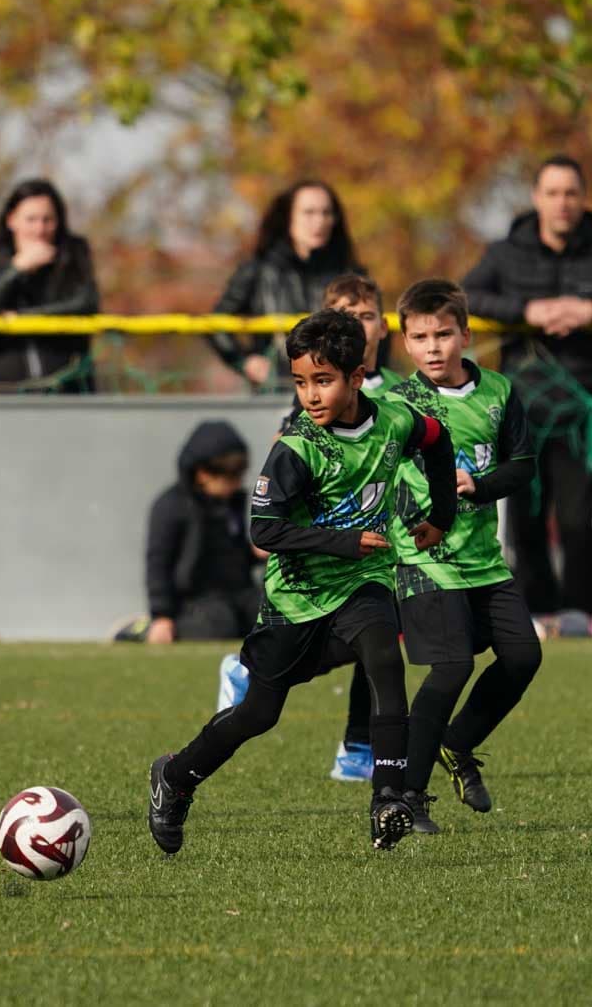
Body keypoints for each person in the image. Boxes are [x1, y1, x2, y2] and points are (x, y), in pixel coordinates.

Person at [147, 308, 459, 853]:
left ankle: (388, 798)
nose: (310, 395)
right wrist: (343, 540)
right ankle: (174, 778)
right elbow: (264, 529)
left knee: (385, 659)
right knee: (259, 713)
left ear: (357, 377)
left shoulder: (396, 420)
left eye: (323, 380)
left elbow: (437, 438)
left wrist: (442, 516)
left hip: (364, 580)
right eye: (300, 382)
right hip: (298, 598)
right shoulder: (296, 449)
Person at [463, 155, 592, 633]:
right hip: (520, 412)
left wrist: (589, 307)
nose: (562, 203)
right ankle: (535, 613)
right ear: (536, 199)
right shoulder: (506, 253)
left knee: (577, 519)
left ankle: (577, 615)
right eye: (552, 193)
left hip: (580, 417)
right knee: (525, 518)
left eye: (571, 193)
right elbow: (465, 295)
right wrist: (526, 310)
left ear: (583, 198)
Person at [385, 279, 543, 831]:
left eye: (444, 334)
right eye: (421, 337)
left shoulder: (498, 392)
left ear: (466, 335)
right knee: (450, 668)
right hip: (425, 558)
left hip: (484, 560)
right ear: (405, 343)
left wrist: (476, 485)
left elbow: (522, 465)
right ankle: (406, 796)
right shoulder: (397, 404)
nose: (433, 347)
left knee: (524, 657)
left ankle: (459, 742)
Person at [233, 275, 399, 782]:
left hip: (385, 544)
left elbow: (423, 445)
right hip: (320, 561)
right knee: (268, 703)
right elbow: (286, 471)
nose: (357, 324)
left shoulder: (398, 399)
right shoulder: (311, 410)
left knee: (381, 645)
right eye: (344, 314)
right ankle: (246, 678)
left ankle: (365, 753)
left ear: (384, 327)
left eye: (365, 315)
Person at [112, 422, 260, 644]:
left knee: (272, 617)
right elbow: (158, 565)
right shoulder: (171, 506)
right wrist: (162, 615)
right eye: (230, 476)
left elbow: (233, 556)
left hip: (238, 592)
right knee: (219, 624)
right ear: (202, 473)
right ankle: (143, 629)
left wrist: (255, 553)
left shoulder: (231, 505)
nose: (237, 482)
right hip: (195, 600)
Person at [210, 180, 363, 392]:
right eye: (309, 212)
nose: (319, 221)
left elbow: (376, 334)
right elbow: (216, 323)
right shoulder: (258, 270)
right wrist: (244, 361)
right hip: (276, 391)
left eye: (326, 213)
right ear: (288, 218)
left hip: (338, 393)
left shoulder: (351, 275)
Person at [0, 178, 100, 393]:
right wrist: (16, 269)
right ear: (11, 220)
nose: (40, 228)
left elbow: (86, 302)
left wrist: (23, 317)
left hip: (66, 390)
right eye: (31, 219)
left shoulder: (73, 253)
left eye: (48, 220)